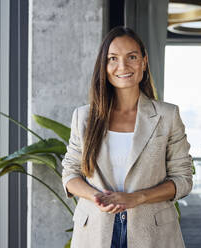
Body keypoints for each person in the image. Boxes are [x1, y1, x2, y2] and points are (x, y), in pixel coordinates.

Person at [62, 26, 192, 248]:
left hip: (152, 233)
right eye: (113, 58)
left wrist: (137, 198)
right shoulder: (84, 117)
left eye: (131, 57)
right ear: (104, 65)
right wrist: (96, 197)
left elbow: (183, 179)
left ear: (144, 61)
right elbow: (70, 174)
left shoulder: (167, 115)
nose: (122, 66)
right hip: (95, 231)